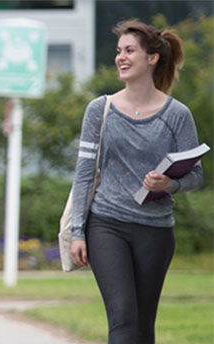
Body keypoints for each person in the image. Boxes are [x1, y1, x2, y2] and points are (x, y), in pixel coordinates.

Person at [70, 20, 203, 344]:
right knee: (123, 320)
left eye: (130, 51)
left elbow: (196, 176)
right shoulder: (100, 110)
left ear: (152, 58)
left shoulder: (177, 114)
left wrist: (168, 186)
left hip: (155, 231)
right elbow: (84, 173)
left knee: (143, 327)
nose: (121, 57)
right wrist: (77, 232)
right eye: (119, 51)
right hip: (106, 225)